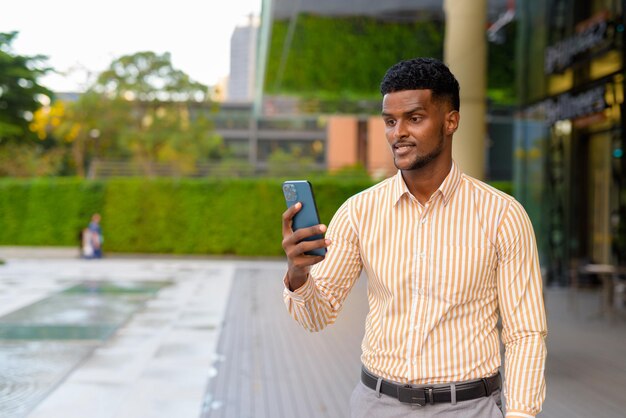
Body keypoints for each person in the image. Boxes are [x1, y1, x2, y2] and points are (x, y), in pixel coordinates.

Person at [281, 57, 547, 418]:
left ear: (450, 121)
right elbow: (317, 316)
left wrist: (520, 414)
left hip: (468, 409)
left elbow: (525, 333)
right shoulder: (359, 212)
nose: (397, 133)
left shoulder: (503, 215)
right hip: (377, 406)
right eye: (390, 121)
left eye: (414, 118)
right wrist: (299, 276)